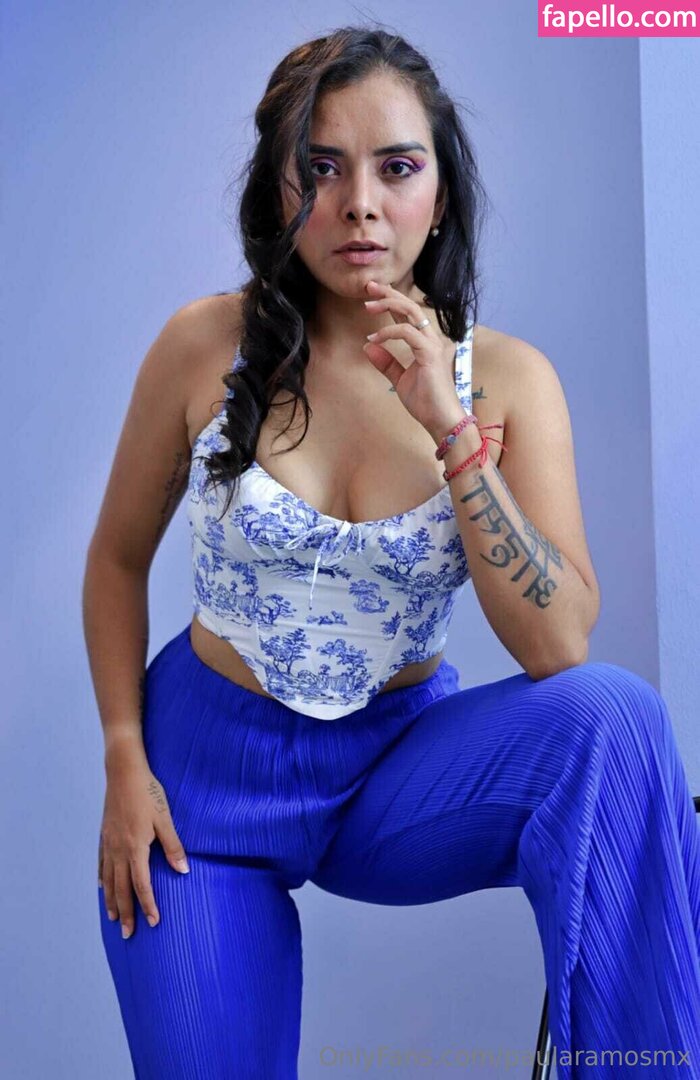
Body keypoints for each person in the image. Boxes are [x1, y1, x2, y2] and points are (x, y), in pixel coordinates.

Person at [83, 25, 700, 1080]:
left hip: (392, 774)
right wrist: (122, 760)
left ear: (440, 193)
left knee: (616, 718)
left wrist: (449, 429)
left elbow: (557, 647)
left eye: (397, 167)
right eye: (321, 167)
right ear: (279, 190)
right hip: (199, 792)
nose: (360, 203)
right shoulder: (200, 345)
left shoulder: (505, 379)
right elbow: (113, 561)